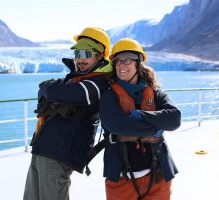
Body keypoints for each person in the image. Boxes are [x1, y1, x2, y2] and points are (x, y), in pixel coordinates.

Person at [23, 27, 112, 200]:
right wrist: (50, 88)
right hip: (44, 149)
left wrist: (49, 87)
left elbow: (52, 92)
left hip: (59, 154)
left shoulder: (97, 84)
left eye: (87, 53)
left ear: (100, 55)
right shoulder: (76, 78)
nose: (80, 58)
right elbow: (48, 91)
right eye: (78, 53)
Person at [99, 38, 181, 200]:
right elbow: (117, 125)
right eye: (117, 62)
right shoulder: (109, 95)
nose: (121, 65)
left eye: (127, 60)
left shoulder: (155, 93)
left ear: (138, 63)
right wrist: (155, 129)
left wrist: (139, 115)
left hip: (158, 175)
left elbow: (174, 119)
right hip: (121, 178)